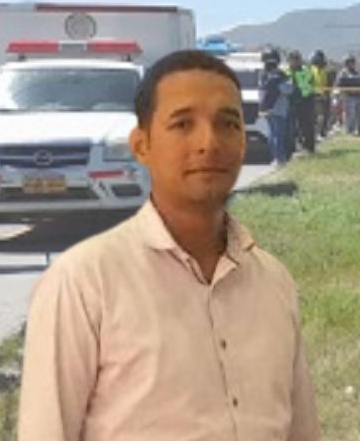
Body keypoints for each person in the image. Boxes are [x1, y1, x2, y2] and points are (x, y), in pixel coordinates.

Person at [18, 50, 321, 440]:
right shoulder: (83, 283)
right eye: (182, 124)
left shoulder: (273, 281)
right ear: (141, 145)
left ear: (245, 142)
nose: (209, 142)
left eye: (228, 124)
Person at [259, 50, 295, 165]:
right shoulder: (279, 75)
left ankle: (275, 157)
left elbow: (261, 91)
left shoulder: (263, 75)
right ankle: (280, 159)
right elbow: (288, 89)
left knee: (272, 134)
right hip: (279, 109)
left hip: (266, 109)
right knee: (278, 134)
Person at [287, 51, 317, 155]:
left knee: (307, 126)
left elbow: (308, 84)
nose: (294, 62)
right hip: (291, 102)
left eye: (297, 60)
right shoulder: (286, 72)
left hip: (305, 101)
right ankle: (292, 148)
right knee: (291, 127)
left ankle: (309, 147)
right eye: (292, 60)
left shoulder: (306, 71)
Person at [336, 56, 360, 137]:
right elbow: (340, 84)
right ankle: (350, 130)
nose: (352, 64)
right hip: (349, 97)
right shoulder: (343, 73)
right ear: (346, 63)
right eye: (350, 62)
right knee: (350, 114)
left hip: (359, 96)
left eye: (353, 62)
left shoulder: (358, 72)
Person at [309, 50, 331, 140]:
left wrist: (326, 94)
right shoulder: (311, 70)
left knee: (324, 116)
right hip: (314, 96)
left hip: (324, 96)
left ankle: (322, 132)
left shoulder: (326, 70)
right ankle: (315, 134)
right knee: (317, 117)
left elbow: (328, 83)